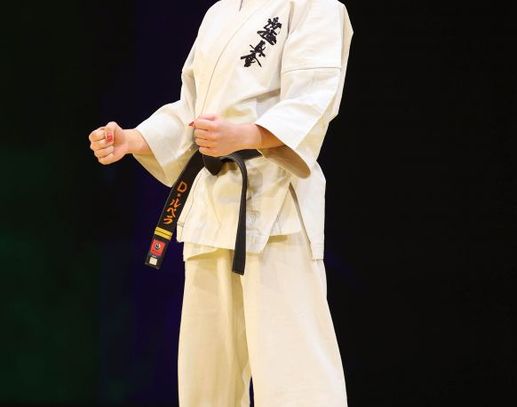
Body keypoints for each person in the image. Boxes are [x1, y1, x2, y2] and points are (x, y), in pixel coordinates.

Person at [88, 0, 353, 405]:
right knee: (206, 381)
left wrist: (247, 135)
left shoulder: (315, 7)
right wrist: (134, 139)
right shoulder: (220, 12)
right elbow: (193, 111)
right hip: (211, 208)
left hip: (275, 210)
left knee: (295, 377)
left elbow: (312, 101)